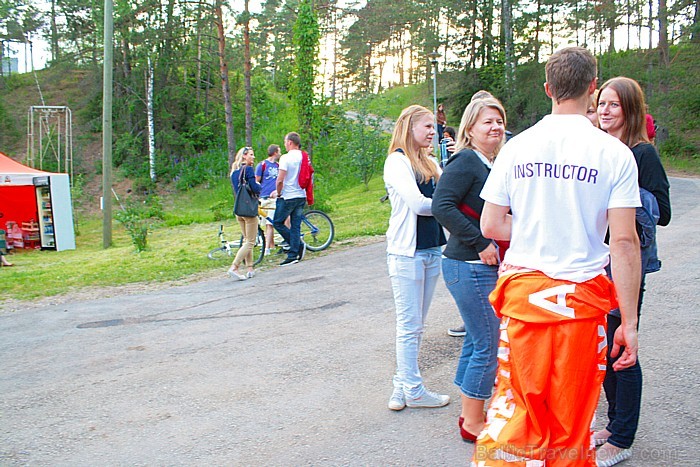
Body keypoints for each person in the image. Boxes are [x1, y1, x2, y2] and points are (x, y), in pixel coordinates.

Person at [476, 47, 642, 466]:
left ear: (548, 88)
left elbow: (491, 225)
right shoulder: (615, 154)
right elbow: (623, 242)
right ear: (592, 88)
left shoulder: (517, 148)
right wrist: (630, 323)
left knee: (517, 412)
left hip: (524, 300)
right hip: (581, 307)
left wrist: (535, 227)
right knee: (571, 423)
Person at [593, 76, 671, 467]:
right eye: (601, 103)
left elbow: (663, 211)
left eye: (613, 105)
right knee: (603, 345)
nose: (604, 111)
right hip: (597, 261)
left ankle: (623, 437)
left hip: (628, 262)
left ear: (630, 110)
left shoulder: (642, 154)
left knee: (623, 345)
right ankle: (612, 422)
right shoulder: (599, 150)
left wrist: (623, 193)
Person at [432, 97, 507, 442]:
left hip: (476, 266)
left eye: (499, 120)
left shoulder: (489, 163)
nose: (495, 127)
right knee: (487, 344)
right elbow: (441, 206)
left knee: (477, 341)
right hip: (468, 265)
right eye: (487, 122)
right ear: (470, 129)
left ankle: (469, 411)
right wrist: (479, 241)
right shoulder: (466, 161)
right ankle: (472, 423)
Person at [384, 105, 449, 412]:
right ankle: (413, 389)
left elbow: (453, 189)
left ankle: (402, 385)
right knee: (409, 325)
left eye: (433, 128)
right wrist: (447, 204)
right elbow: (418, 204)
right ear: (409, 127)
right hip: (406, 253)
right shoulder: (396, 162)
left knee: (417, 325)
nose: (431, 132)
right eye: (426, 127)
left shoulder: (432, 162)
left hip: (432, 248)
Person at [273, 132, 307, 266]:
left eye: (285, 142)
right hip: (301, 194)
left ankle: (296, 246)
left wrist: (279, 192)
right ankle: (294, 253)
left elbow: (280, 179)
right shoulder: (304, 156)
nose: (285, 144)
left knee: (278, 222)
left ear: (290, 142)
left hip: (288, 195)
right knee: (295, 225)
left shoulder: (286, 158)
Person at [229, 147, 262, 280]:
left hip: (239, 210)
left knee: (247, 240)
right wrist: (258, 185)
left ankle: (250, 268)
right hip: (249, 211)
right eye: (251, 155)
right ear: (244, 156)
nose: (253, 158)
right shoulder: (247, 169)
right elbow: (254, 188)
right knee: (250, 242)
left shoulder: (234, 172)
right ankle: (234, 267)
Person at [256, 144, 281, 256]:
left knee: (270, 224)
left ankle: (266, 249)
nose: (280, 153)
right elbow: (257, 181)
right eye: (279, 151)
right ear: (275, 152)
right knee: (265, 223)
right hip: (264, 197)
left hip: (274, 198)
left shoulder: (278, 166)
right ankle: (271, 245)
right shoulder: (262, 165)